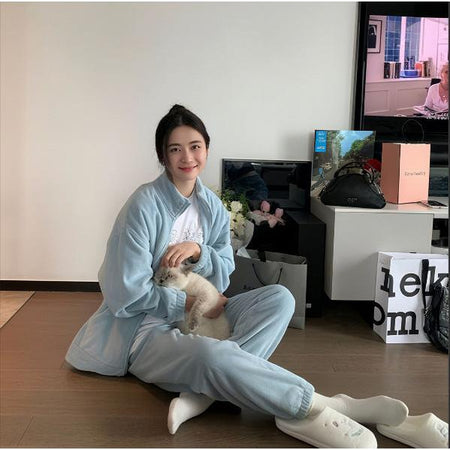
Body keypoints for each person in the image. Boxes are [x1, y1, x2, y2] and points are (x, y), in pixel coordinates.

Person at [65, 105, 447, 448]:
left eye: (195, 146)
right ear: (162, 156)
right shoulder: (143, 206)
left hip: (204, 315)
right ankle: (324, 405)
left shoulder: (212, 207)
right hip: (144, 330)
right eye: (175, 149)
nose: (187, 157)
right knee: (210, 355)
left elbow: (224, 274)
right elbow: (125, 294)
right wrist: (188, 302)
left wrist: (199, 252)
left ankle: (204, 394)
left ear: (207, 149)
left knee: (280, 298)